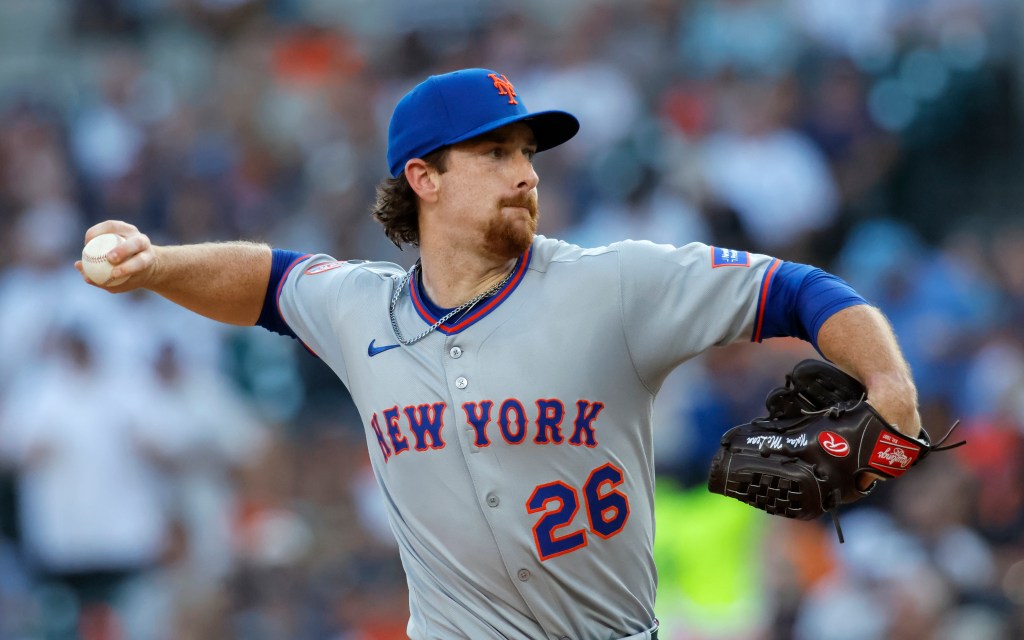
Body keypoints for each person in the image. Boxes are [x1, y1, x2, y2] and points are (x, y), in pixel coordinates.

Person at [76, 68, 922, 640]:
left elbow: (804, 290)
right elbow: (266, 278)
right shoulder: (360, 307)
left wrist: (886, 379)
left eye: (526, 153)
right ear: (424, 178)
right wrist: (155, 267)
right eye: (495, 153)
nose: (525, 173)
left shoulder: (612, 285)